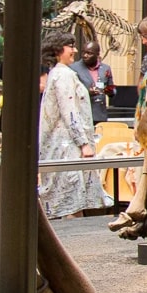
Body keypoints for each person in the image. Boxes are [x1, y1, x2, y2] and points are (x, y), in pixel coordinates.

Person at [39, 31, 108, 218]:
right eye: (71, 46)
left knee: (71, 200)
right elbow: (70, 111)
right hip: (66, 147)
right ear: (58, 50)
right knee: (71, 202)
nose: (75, 50)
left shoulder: (59, 74)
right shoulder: (63, 75)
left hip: (64, 145)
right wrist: (83, 143)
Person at [80, 42, 116, 123]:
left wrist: (110, 91)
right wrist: (87, 92)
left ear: (97, 54)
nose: (85, 55)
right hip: (82, 116)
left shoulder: (106, 68)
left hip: (100, 116)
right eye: (83, 52)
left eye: (89, 53)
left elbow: (112, 89)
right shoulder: (74, 68)